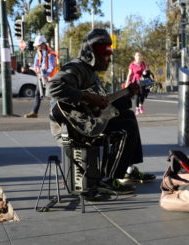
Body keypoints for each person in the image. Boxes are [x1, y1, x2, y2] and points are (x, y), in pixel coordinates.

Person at [48, 28, 155, 195]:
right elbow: (52, 87)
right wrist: (87, 97)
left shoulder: (93, 74)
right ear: (92, 55)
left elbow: (104, 106)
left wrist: (128, 94)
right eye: (106, 55)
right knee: (125, 128)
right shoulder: (76, 68)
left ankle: (128, 169)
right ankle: (108, 180)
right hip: (71, 128)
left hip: (88, 123)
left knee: (128, 116)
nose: (109, 60)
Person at [24, 35, 58, 118]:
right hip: (41, 75)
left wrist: (46, 75)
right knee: (37, 94)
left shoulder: (50, 54)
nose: (37, 47)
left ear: (43, 44)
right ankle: (34, 112)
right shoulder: (39, 53)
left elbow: (51, 67)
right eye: (37, 45)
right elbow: (36, 64)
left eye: (38, 45)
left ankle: (55, 113)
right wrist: (37, 70)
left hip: (51, 77)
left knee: (53, 95)